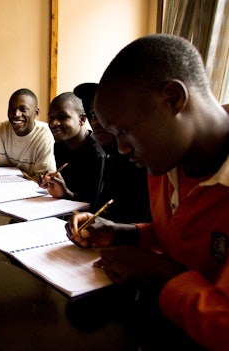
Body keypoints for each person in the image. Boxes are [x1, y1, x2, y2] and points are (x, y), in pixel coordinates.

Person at [66, 34, 229, 351]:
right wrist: (127, 233)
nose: (122, 149)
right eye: (114, 136)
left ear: (172, 99)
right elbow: (191, 238)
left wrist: (160, 272)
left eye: (125, 131)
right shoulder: (166, 161)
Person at [73, 82, 151, 223]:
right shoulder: (112, 156)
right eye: (92, 114)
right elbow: (103, 209)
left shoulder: (144, 160)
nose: (96, 121)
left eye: (104, 113)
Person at [41, 92, 105, 204]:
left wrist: (66, 193)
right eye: (51, 117)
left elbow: (92, 204)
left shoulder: (98, 154)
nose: (54, 123)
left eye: (62, 117)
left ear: (82, 120)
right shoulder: (59, 146)